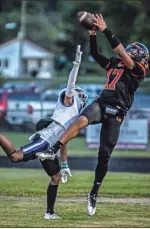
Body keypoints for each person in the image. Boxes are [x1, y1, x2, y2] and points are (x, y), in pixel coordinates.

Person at [44, 14, 149, 216]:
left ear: (140, 57)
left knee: (104, 156)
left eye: (133, 51)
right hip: (101, 103)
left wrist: (105, 29)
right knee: (80, 120)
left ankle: (94, 192)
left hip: (117, 111)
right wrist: (93, 34)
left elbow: (118, 48)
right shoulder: (113, 63)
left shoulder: (137, 70)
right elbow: (95, 53)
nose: (129, 50)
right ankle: (54, 148)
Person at [0, 45, 88, 220]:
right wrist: (76, 65)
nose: (77, 97)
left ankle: (49, 213)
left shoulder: (73, 117)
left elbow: (64, 141)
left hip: (51, 148)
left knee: (56, 177)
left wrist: (64, 165)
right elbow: (71, 85)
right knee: (15, 157)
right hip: (46, 141)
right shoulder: (68, 103)